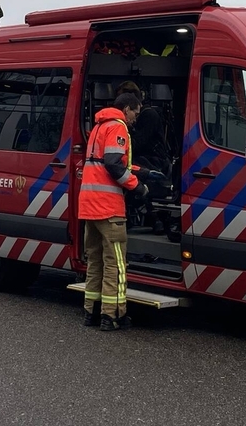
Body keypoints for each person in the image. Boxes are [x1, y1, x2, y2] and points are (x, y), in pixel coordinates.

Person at [79, 92, 147, 331]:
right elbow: (113, 163)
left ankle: (91, 312)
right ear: (126, 109)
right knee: (116, 264)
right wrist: (138, 186)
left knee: (94, 261)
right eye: (135, 113)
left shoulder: (99, 126)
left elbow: (104, 160)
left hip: (88, 206)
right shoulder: (118, 127)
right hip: (108, 208)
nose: (135, 119)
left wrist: (142, 171)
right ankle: (113, 315)